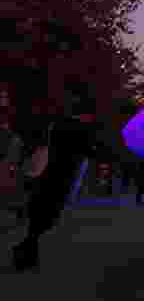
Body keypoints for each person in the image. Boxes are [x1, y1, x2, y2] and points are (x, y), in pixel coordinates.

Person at [11, 83, 108, 271]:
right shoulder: (80, 128)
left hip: (49, 172)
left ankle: (28, 253)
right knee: (48, 216)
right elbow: (90, 151)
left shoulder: (58, 123)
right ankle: (25, 252)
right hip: (62, 175)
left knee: (40, 215)